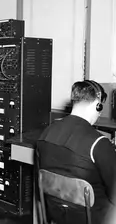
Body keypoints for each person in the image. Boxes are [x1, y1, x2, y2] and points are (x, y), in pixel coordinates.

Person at [36, 80, 116, 224]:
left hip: (56, 214)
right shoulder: (98, 143)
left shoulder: (46, 133)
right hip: (92, 218)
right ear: (97, 105)